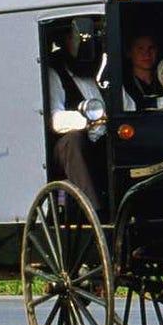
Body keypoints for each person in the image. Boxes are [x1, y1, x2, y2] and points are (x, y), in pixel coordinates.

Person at [46, 20, 105, 208]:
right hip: (70, 148)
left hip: (102, 140)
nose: (84, 44)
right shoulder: (54, 72)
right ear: (65, 41)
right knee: (73, 141)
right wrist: (88, 121)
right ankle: (94, 210)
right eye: (76, 38)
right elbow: (55, 118)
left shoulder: (100, 72)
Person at [122, 33, 163, 110]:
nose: (147, 54)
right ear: (129, 52)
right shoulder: (122, 85)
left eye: (151, 48)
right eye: (140, 48)